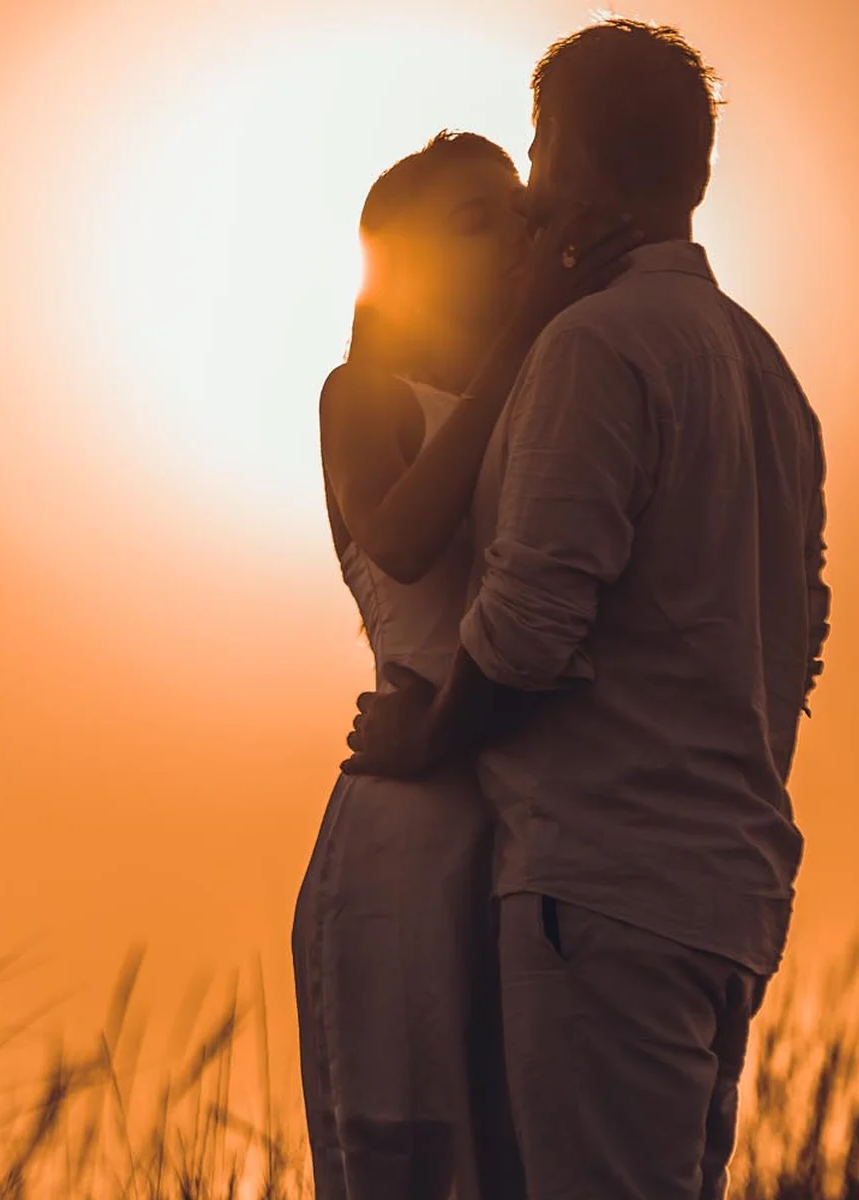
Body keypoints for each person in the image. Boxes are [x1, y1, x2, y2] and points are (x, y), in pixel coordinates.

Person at [341, 19, 832, 1200]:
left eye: (534, 154)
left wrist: (429, 734)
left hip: (602, 880)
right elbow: (801, 635)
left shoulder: (595, 346)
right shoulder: (769, 371)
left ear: (562, 150)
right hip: (730, 886)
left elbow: (528, 625)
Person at [292, 130, 639, 1200]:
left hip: (538, 819)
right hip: (412, 811)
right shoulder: (364, 392)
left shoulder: (556, 398)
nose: (515, 236)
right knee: (407, 1138)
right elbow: (401, 538)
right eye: (476, 220)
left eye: (517, 213)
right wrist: (522, 338)